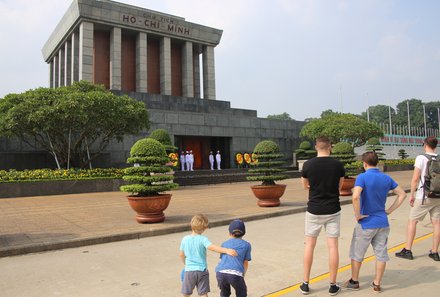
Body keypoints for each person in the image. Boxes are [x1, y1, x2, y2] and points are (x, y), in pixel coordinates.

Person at [341, 152, 406, 293]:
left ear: (364, 163)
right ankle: (377, 284)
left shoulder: (362, 177)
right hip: (382, 222)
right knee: (381, 254)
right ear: (377, 163)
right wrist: (390, 210)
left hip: (366, 223)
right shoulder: (386, 178)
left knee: (357, 253)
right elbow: (402, 194)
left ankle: (354, 281)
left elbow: (355, 197)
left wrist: (357, 215)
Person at [300, 136, 345, 296]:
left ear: (316, 147)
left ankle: (305, 283)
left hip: (314, 210)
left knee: (309, 246)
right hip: (333, 209)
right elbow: (340, 185)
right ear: (330, 147)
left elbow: (305, 185)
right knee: (333, 246)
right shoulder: (338, 165)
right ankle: (332, 285)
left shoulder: (308, 164)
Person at [395, 136, 440, 262]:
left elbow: (415, 179)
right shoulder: (439, 158)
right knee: (437, 224)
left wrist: (412, 195)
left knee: (412, 221)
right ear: (435, 145)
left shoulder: (421, 158)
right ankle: (435, 252)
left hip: (424, 196)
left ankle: (407, 250)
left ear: (425, 144)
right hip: (437, 195)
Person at [180, 214, 237, 297]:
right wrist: (226, 250)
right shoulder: (203, 239)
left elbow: (181, 254)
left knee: (185, 293)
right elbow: (212, 247)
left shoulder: (185, 239)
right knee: (203, 293)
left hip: (189, 271)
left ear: (191, 225)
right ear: (204, 228)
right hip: (202, 271)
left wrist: (186, 264)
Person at [215, 219, 252, 297]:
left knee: (224, 293)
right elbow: (245, 263)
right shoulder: (247, 245)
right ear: (244, 233)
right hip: (235, 274)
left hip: (220, 272)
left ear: (229, 233)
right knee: (241, 292)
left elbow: (221, 259)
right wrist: (242, 275)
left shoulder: (224, 244)